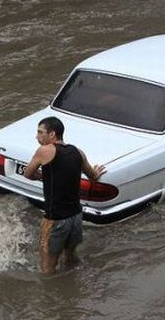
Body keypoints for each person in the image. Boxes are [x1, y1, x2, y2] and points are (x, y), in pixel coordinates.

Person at [23, 116, 106, 276]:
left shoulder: (44, 150)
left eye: (40, 132)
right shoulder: (77, 152)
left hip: (55, 218)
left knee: (47, 268)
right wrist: (97, 170)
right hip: (76, 216)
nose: (37, 136)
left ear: (52, 134)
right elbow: (93, 176)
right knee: (70, 258)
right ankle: (73, 287)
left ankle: (52, 298)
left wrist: (42, 176)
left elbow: (28, 173)